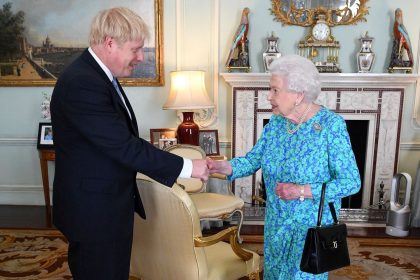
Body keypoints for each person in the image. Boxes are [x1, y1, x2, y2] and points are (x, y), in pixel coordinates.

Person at [50, 7, 208, 280]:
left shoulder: (99, 76)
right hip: (93, 211)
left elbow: (122, 142)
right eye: (135, 49)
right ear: (110, 42)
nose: (139, 57)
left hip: (103, 204)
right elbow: (123, 145)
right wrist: (187, 167)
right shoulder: (82, 83)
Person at [208, 54, 361, 279]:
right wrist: (221, 167)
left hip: (309, 229)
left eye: (275, 90)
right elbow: (252, 160)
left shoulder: (330, 126)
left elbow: (351, 182)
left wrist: (301, 191)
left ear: (299, 94)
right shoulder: (277, 124)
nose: (268, 97)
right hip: (276, 224)